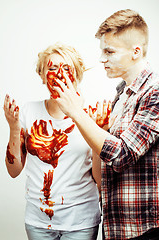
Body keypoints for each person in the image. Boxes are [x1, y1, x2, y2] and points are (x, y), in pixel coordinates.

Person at [51, 9, 159, 240]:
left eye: (109, 51)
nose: (101, 58)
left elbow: (122, 156)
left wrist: (77, 113)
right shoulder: (121, 95)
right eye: (102, 50)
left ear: (136, 52)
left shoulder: (155, 93)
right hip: (116, 227)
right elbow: (105, 168)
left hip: (144, 229)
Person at [3, 43, 101, 240]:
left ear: (77, 75)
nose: (59, 74)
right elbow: (13, 171)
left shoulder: (92, 114)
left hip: (80, 221)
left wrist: (100, 135)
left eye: (66, 68)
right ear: (41, 74)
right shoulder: (28, 111)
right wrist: (14, 127)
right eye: (52, 68)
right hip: (37, 221)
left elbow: (100, 179)